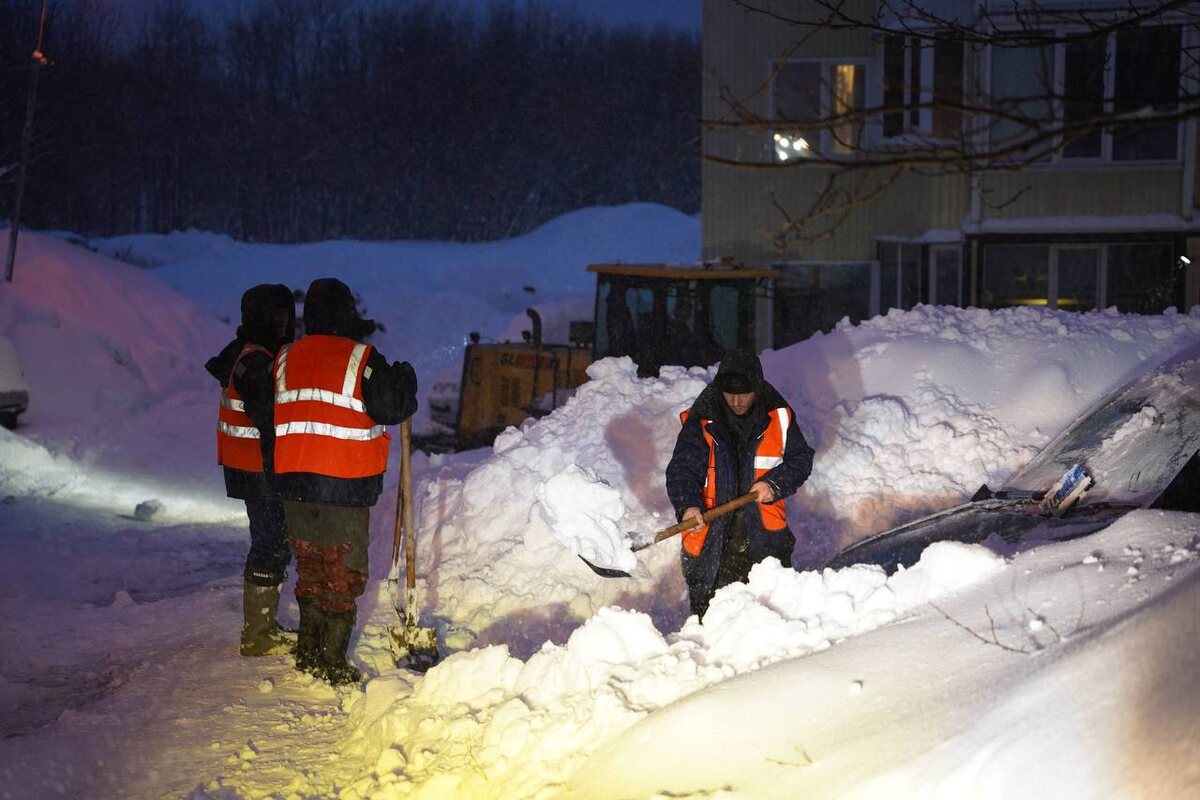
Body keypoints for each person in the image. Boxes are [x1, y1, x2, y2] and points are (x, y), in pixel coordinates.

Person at [252, 278, 417, 686]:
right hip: (343, 484)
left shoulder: (284, 358)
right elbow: (392, 407)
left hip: (294, 483)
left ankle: (308, 651)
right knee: (343, 573)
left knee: (310, 567)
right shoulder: (361, 358)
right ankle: (331, 659)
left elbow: (264, 410)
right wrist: (404, 379)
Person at [665, 349, 814, 618]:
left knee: (770, 622)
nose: (736, 401)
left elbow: (801, 460)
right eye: (730, 393)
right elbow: (682, 470)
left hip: (765, 541)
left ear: (757, 387)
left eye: (745, 393)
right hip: (711, 546)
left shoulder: (777, 416)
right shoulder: (702, 419)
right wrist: (688, 506)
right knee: (711, 627)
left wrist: (774, 483)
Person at [206, 283, 297, 657]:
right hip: (259, 468)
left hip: (254, 466)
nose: (283, 322)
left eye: (286, 314)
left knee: (274, 542)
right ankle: (259, 634)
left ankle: (263, 627)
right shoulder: (255, 361)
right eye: (275, 315)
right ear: (259, 317)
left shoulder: (253, 354)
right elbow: (269, 416)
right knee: (270, 544)